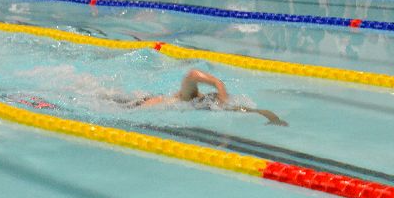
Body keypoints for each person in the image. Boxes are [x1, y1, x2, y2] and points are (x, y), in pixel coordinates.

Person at [118, 69, 288, 126]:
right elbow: (192, 74)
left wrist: (274, 119)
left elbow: (251, 110)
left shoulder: (206, 104)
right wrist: (218, 83)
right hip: (135, 105)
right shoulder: (189, 97)